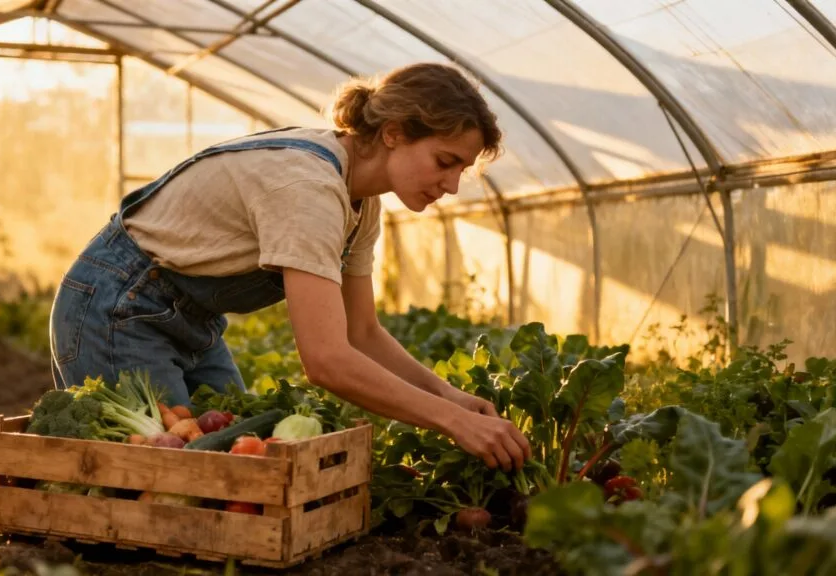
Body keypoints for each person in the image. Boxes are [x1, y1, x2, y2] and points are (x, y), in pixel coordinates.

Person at [48, 62, 531, 471]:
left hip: (192, 322)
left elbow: (361, 333)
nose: (451, 185)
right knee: (172, 472)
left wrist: (451, 398)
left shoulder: (358, 202)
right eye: (444, 162)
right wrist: (454, 422)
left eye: (460, 170)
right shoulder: (308, 188)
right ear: (392, 133)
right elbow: (326, 361)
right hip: (119, 306)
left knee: (237, 459)